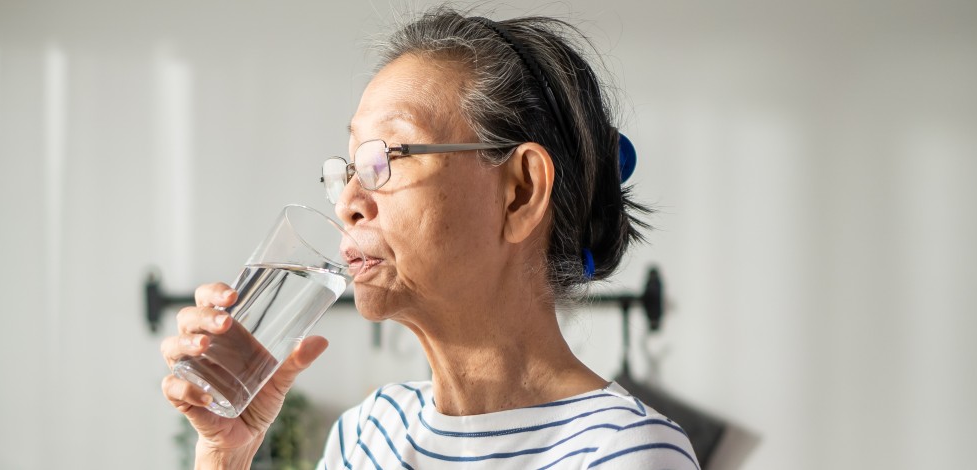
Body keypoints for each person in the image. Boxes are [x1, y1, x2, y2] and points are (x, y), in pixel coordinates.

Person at [159, 7, 698, 469]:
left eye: (385, 158)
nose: (348, 199)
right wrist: (225, 454)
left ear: (519, 192)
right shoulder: (369, 435)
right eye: (348, 165)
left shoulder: (623, 453)